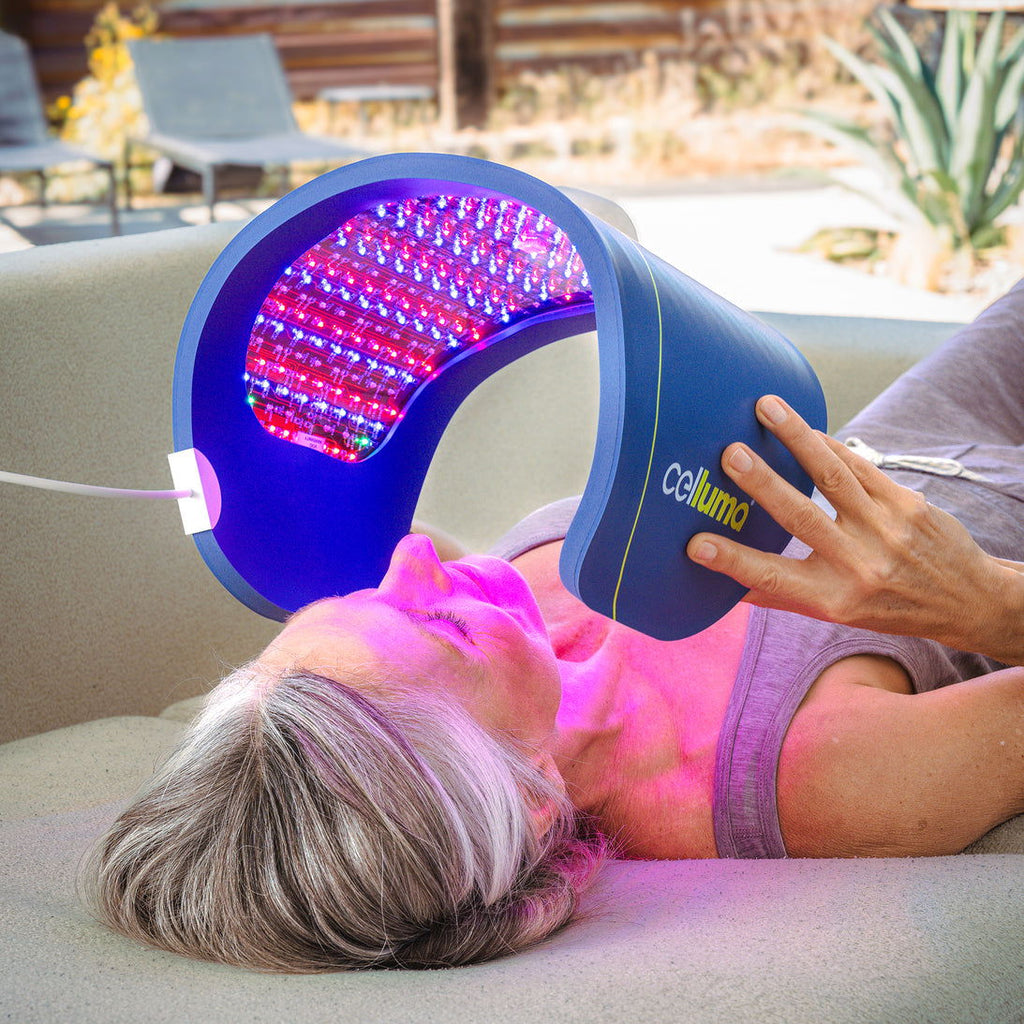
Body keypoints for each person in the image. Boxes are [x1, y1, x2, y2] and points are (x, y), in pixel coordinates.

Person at [86, 280, 1024, 972]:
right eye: (441, 628)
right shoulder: (811, 775)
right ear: (531, 792)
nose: (419, 557)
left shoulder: (502, 654)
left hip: (913, 425)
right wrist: (984, 601)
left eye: (364, 596)